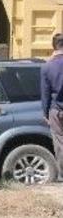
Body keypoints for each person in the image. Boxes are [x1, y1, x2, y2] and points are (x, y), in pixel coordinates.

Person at [40, 33, 63, 176]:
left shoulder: (47, 67)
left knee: (60, 144)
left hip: (56, 111)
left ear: (53, 46)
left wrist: (45, 113)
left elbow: (45, 94)